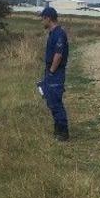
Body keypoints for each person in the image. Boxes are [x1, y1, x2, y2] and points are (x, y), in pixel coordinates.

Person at [39, 7, 69, 141]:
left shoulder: (59, 34)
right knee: (51, 101)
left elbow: (58, 55)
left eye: (42, 18)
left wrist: (51, 71)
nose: (41, 21)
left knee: (56, 102)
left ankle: (63, 132)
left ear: (48, 18)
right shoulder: (52, 33)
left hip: (55, 73)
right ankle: (57, 130)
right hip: (50, 71)